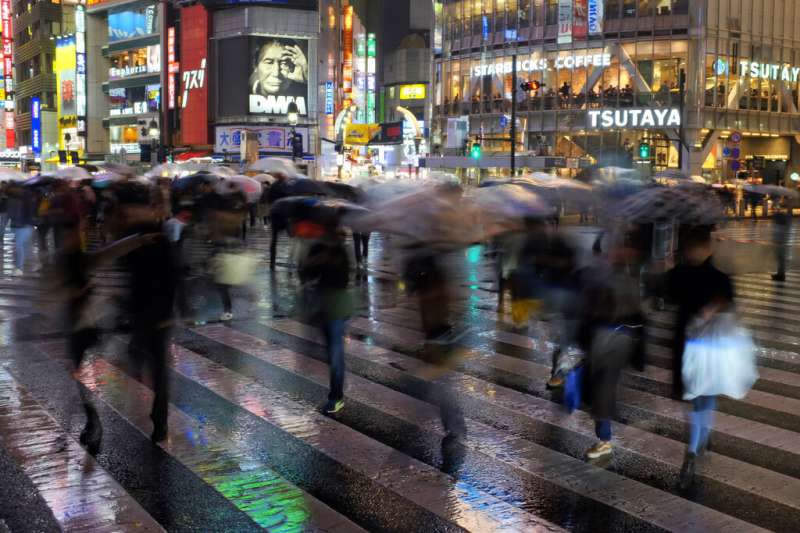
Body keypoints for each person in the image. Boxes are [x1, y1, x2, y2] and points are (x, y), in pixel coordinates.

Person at [111, 183, 178, 442]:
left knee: (156, 366)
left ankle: (159, 419)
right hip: (144, 310)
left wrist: (167, 310)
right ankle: (157, 416)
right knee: (152, 364)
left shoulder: (156, 235)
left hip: (154, 312)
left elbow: (171, 274)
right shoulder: (136, 234)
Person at [579, 237, 643, 460]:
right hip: (614, 337)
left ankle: (604, 439)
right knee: (602, 385)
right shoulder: (621, 278)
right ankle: (603, 435)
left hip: (611, 338)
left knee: (603, 387)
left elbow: (592, 309)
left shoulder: (610, 279)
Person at [298, 225, 354, 414]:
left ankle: (336, 397)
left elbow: (343, 279)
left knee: (336, 355)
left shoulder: (341, 252)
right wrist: (315, 261)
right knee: (330, 352)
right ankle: (335, 393)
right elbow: (305, 272)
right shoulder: (317, 248)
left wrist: (328, 261)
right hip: (321, 305)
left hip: (337, 307)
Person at [6, 182, 36, 274]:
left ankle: (20, 268)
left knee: (19, 245)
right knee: (22, 246)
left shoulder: (26, 198)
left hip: (24, 225)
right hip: (18, 225)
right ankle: (27, 264)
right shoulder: (12, 199)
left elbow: (12, 214)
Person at [772, 197, 792, 282]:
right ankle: (780, 274)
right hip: (781, 242)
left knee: (781, 258)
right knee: (780, 259)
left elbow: (779, 218)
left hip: (781, 242)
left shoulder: (783, 220)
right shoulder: (786, 219)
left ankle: (781, 275)